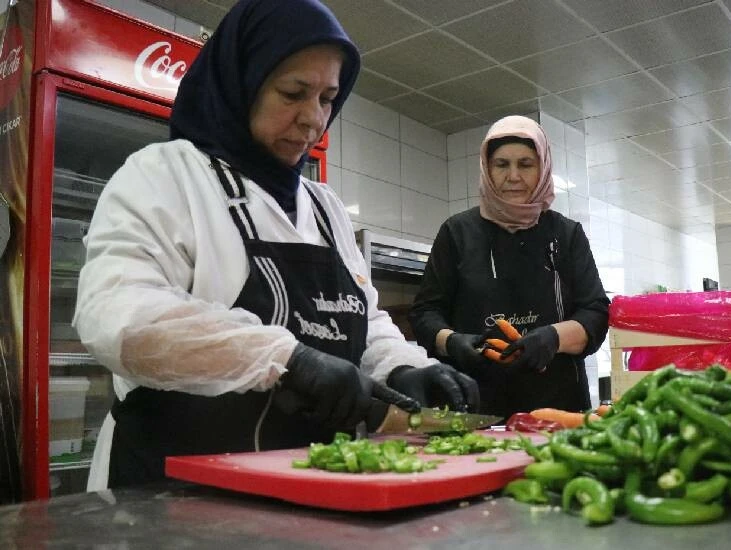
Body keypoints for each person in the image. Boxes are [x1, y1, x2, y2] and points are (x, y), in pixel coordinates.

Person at [73, 0, 477, 490]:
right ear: (243, 81)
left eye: (328, 98)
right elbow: (118, 319)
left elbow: (362, 321)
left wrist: (404, 368)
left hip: (306, 492)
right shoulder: (165, 174)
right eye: (293, 92)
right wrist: (285, 361)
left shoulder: (323, 207)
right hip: (167, 497)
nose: (314, 120)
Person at [408, 116, 610, 419]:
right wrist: (452, 342)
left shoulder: (566, 234)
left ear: (542, 168)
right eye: (501, 164)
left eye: (526, 164)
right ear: (487, 169)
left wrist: (552, 338)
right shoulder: (457, 232)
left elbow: (595, 313)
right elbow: (425, 313)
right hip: (476, 406)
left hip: (557, 406)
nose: (513, 176)